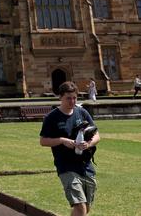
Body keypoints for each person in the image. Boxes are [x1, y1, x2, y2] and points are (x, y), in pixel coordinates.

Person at [40, 81, 101, 216]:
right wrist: (62, 141)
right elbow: (43, 141)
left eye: (74, 98)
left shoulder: (82, 113)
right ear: (60, 97)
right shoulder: (52, 117)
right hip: (66, 166)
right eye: (68, 98)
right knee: (80, 206)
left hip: (86, 166)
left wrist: (88, 144)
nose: (72, 101)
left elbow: (97, 135)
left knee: (85, 207)